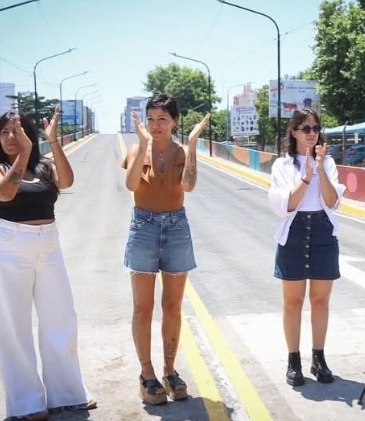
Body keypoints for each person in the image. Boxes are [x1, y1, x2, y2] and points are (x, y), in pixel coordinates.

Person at [0, 108, 96, 421]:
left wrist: (53, 142)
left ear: (29, 134)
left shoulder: (43, 166)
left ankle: (68, 396)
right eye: (4, 132)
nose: (10, 137)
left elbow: (67, 180)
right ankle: (27, 405)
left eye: (17, 132)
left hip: (49, 244)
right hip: (8, 246)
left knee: (61, 318)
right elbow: (5, 192)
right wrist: (24, 153)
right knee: (12, 326)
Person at [122, 94, 209, 405]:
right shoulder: (137, 149)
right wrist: (144, 144)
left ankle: (170, 370)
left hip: (176, 227)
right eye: (151, 119)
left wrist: (193, 145)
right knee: (143, 308)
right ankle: (147, 375)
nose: (155, 125)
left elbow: (188, 186)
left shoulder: (181, 152)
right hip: (143, 226)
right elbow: (131, 185)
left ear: (174, 121)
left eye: (162, 119)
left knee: (172, 306)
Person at [268, 108, 346, 387]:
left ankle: (319, 358)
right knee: (293, 301)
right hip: (295, 231)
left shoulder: (329, 162)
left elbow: (333, 202)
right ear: (294, 132)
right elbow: (285, 206)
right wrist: (306, 176)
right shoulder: (282, 165)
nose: (312, 133)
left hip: (323, 230)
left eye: (315, 128)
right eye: (306, 128)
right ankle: (294, 361)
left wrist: (320, 169)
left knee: (321, 300)